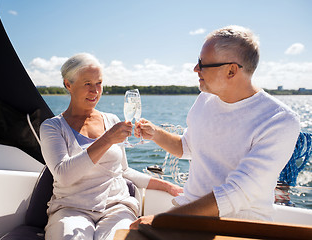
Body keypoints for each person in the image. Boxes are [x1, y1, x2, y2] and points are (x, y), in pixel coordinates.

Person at [131, 25, 300, 228]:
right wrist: (156, 134)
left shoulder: (279, 120)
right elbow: (187, 147)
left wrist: (164, 220)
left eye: (202, 64)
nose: (196, 69)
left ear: (231, 70)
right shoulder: (205, 100)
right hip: (187, 215)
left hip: (238, 224)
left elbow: (236, 192)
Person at [39, 53, 182, 240]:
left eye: (99, 83)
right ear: (68, 85)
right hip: (71, 209)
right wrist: (106, 139)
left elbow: (124, 171)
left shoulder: (111, 120)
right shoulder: (52, 127)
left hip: (117, 208)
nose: (95, 91)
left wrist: (166, 186)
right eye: (87, 83)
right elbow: (64, 176)